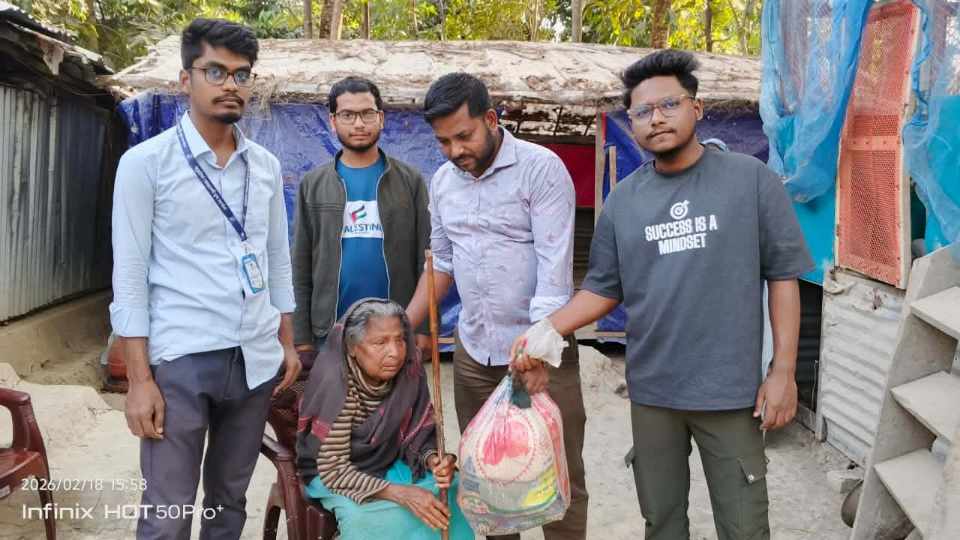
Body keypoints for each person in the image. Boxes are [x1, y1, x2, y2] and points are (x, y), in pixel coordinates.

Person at [511, 49, 815, 540]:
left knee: (744, 525)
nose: (656, 119)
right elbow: (602, 290)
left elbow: (783, 276)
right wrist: (547, 329)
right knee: (662, 521)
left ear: (696, 108)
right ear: (630, 123)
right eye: (642, 112)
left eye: (668, 104)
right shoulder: (623, 201)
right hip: (653, 392)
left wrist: (783, 373)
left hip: (730, 392)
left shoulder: (749, 180)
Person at [110, 18, 301, 539]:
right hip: (181, 359)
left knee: (228, 501)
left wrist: (284, 340)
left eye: (241, 75)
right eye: (214, 71)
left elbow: (276, 260)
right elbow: (128, 276)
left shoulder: (263, 165)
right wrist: (140, 380)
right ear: (184, 79)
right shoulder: (145, 164)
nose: (229, 84)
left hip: (253, 358)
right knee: (168, 508)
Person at [406, 72, 588, 540]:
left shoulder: (540, 168)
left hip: (540, 353)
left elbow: (554, 270)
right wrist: (403, 325)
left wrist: (538, 350)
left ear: (490, 119)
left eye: (463, 136)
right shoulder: (444, 182)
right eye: (443, 141)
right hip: (474, 354)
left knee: (557, 476)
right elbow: (441, 262)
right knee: (488, 477)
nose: (454, 151)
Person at [296, 298, 474, 540]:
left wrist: (434, 459)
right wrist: (401, 494)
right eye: (380, 342)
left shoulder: (409, 372)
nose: (395, 352)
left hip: (387, 460)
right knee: (371, 520)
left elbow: (418, 432)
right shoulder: (337, 386)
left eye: (400, 339)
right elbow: (334, 469)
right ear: (352, 347)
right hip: (334, 472)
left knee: (451, 489)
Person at [292, 76, 431, 361]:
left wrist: (423, 326)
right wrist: (302, 337)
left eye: (367, 113)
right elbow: (301, 263)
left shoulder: (409, 181)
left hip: (394, 330)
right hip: (329, 330)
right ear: (332, 121)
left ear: (381, 117)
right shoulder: (313, 184)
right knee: (336, 406)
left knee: (396, 407)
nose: (358, 124)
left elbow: (426, 260)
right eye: (347, 115)